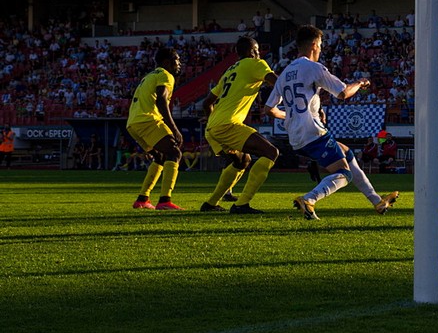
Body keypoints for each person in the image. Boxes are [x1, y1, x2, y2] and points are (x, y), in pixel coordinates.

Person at [264, 25, 399, 220]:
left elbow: (269, 109)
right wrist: (360, 84)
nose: (320, 49)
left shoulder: (284, 73)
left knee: (345, 151)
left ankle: (376, 200)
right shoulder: (313, 67)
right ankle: (309, 199)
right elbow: (343, 93)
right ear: (313, 45)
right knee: (345, 174)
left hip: (295, 135)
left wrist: (292, 116)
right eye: (320, 45)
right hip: (312, 132)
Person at [201, 36, 279, 214]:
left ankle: (211, 204)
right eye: (257, 51)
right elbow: (278, 82)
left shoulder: (229, 71)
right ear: (252, 52)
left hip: (212, 126)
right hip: (227, 124)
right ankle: (241, 204)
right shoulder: (256, 64)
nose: (259, 54)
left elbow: (206, 103)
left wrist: (213, 122)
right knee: (271, 152)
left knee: (242, 160)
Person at [125, 47, 184, 210]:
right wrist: (173, 128)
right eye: (176, 60)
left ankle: (142, 199)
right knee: (174, 152)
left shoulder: (149, 76)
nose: (179, 64)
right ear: (166, 62)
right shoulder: (165, 75)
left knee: (159, 156)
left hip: (133, 123)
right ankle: (165, 201)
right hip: (147, 120)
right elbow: (161, 100)